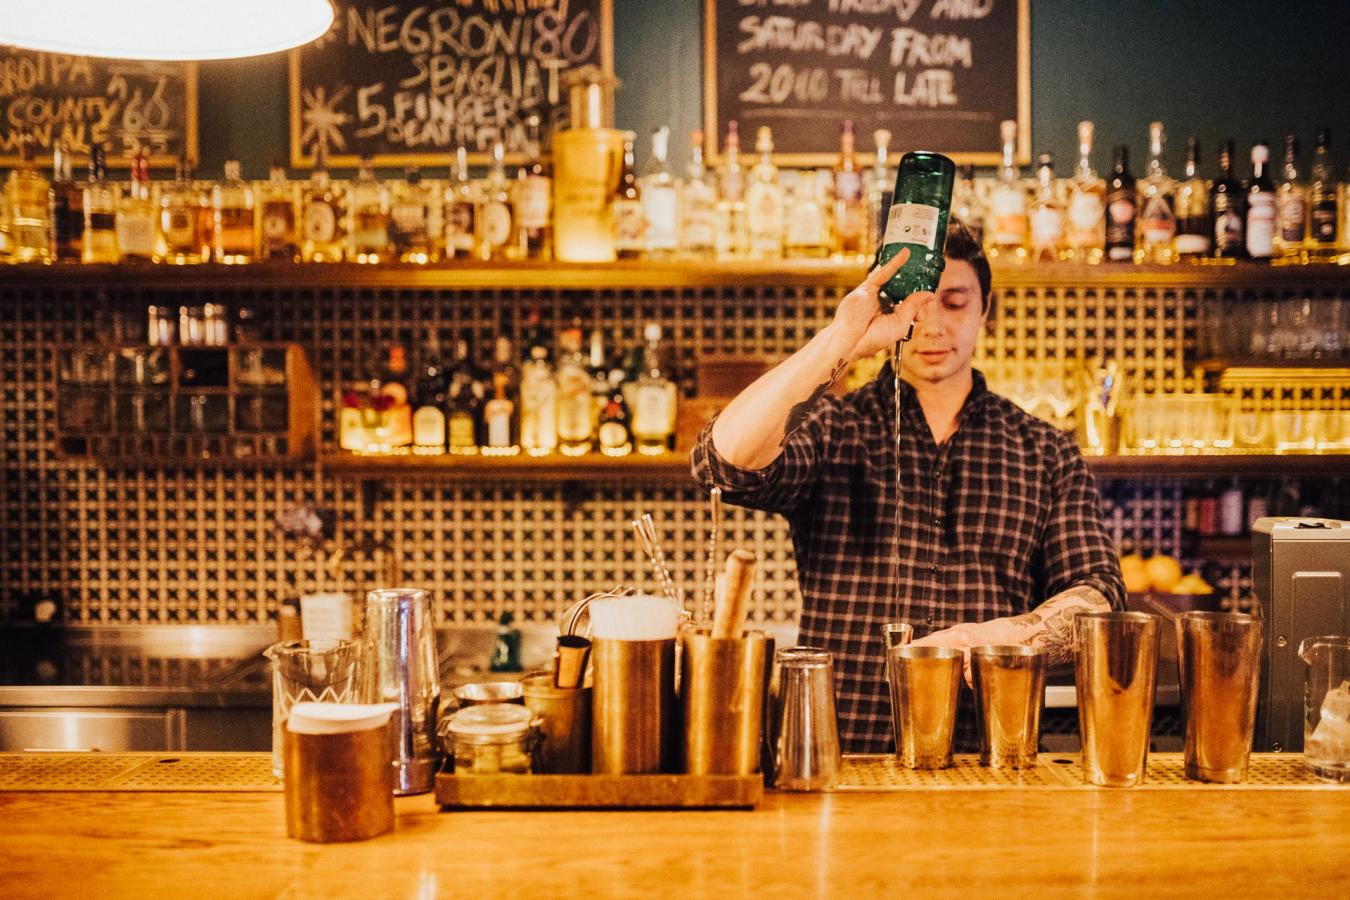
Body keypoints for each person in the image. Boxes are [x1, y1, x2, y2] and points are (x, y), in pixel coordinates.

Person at [690, 221, 1125, 753]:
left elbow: (1099, 594)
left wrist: (994, 637)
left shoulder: (1046, 451)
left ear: (985, 309)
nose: (932, 325)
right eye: (913, 304)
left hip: (990, 759)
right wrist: (841, 342)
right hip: (842, 760)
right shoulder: (835, 429)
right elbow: (723, 465)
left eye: (955, 303)